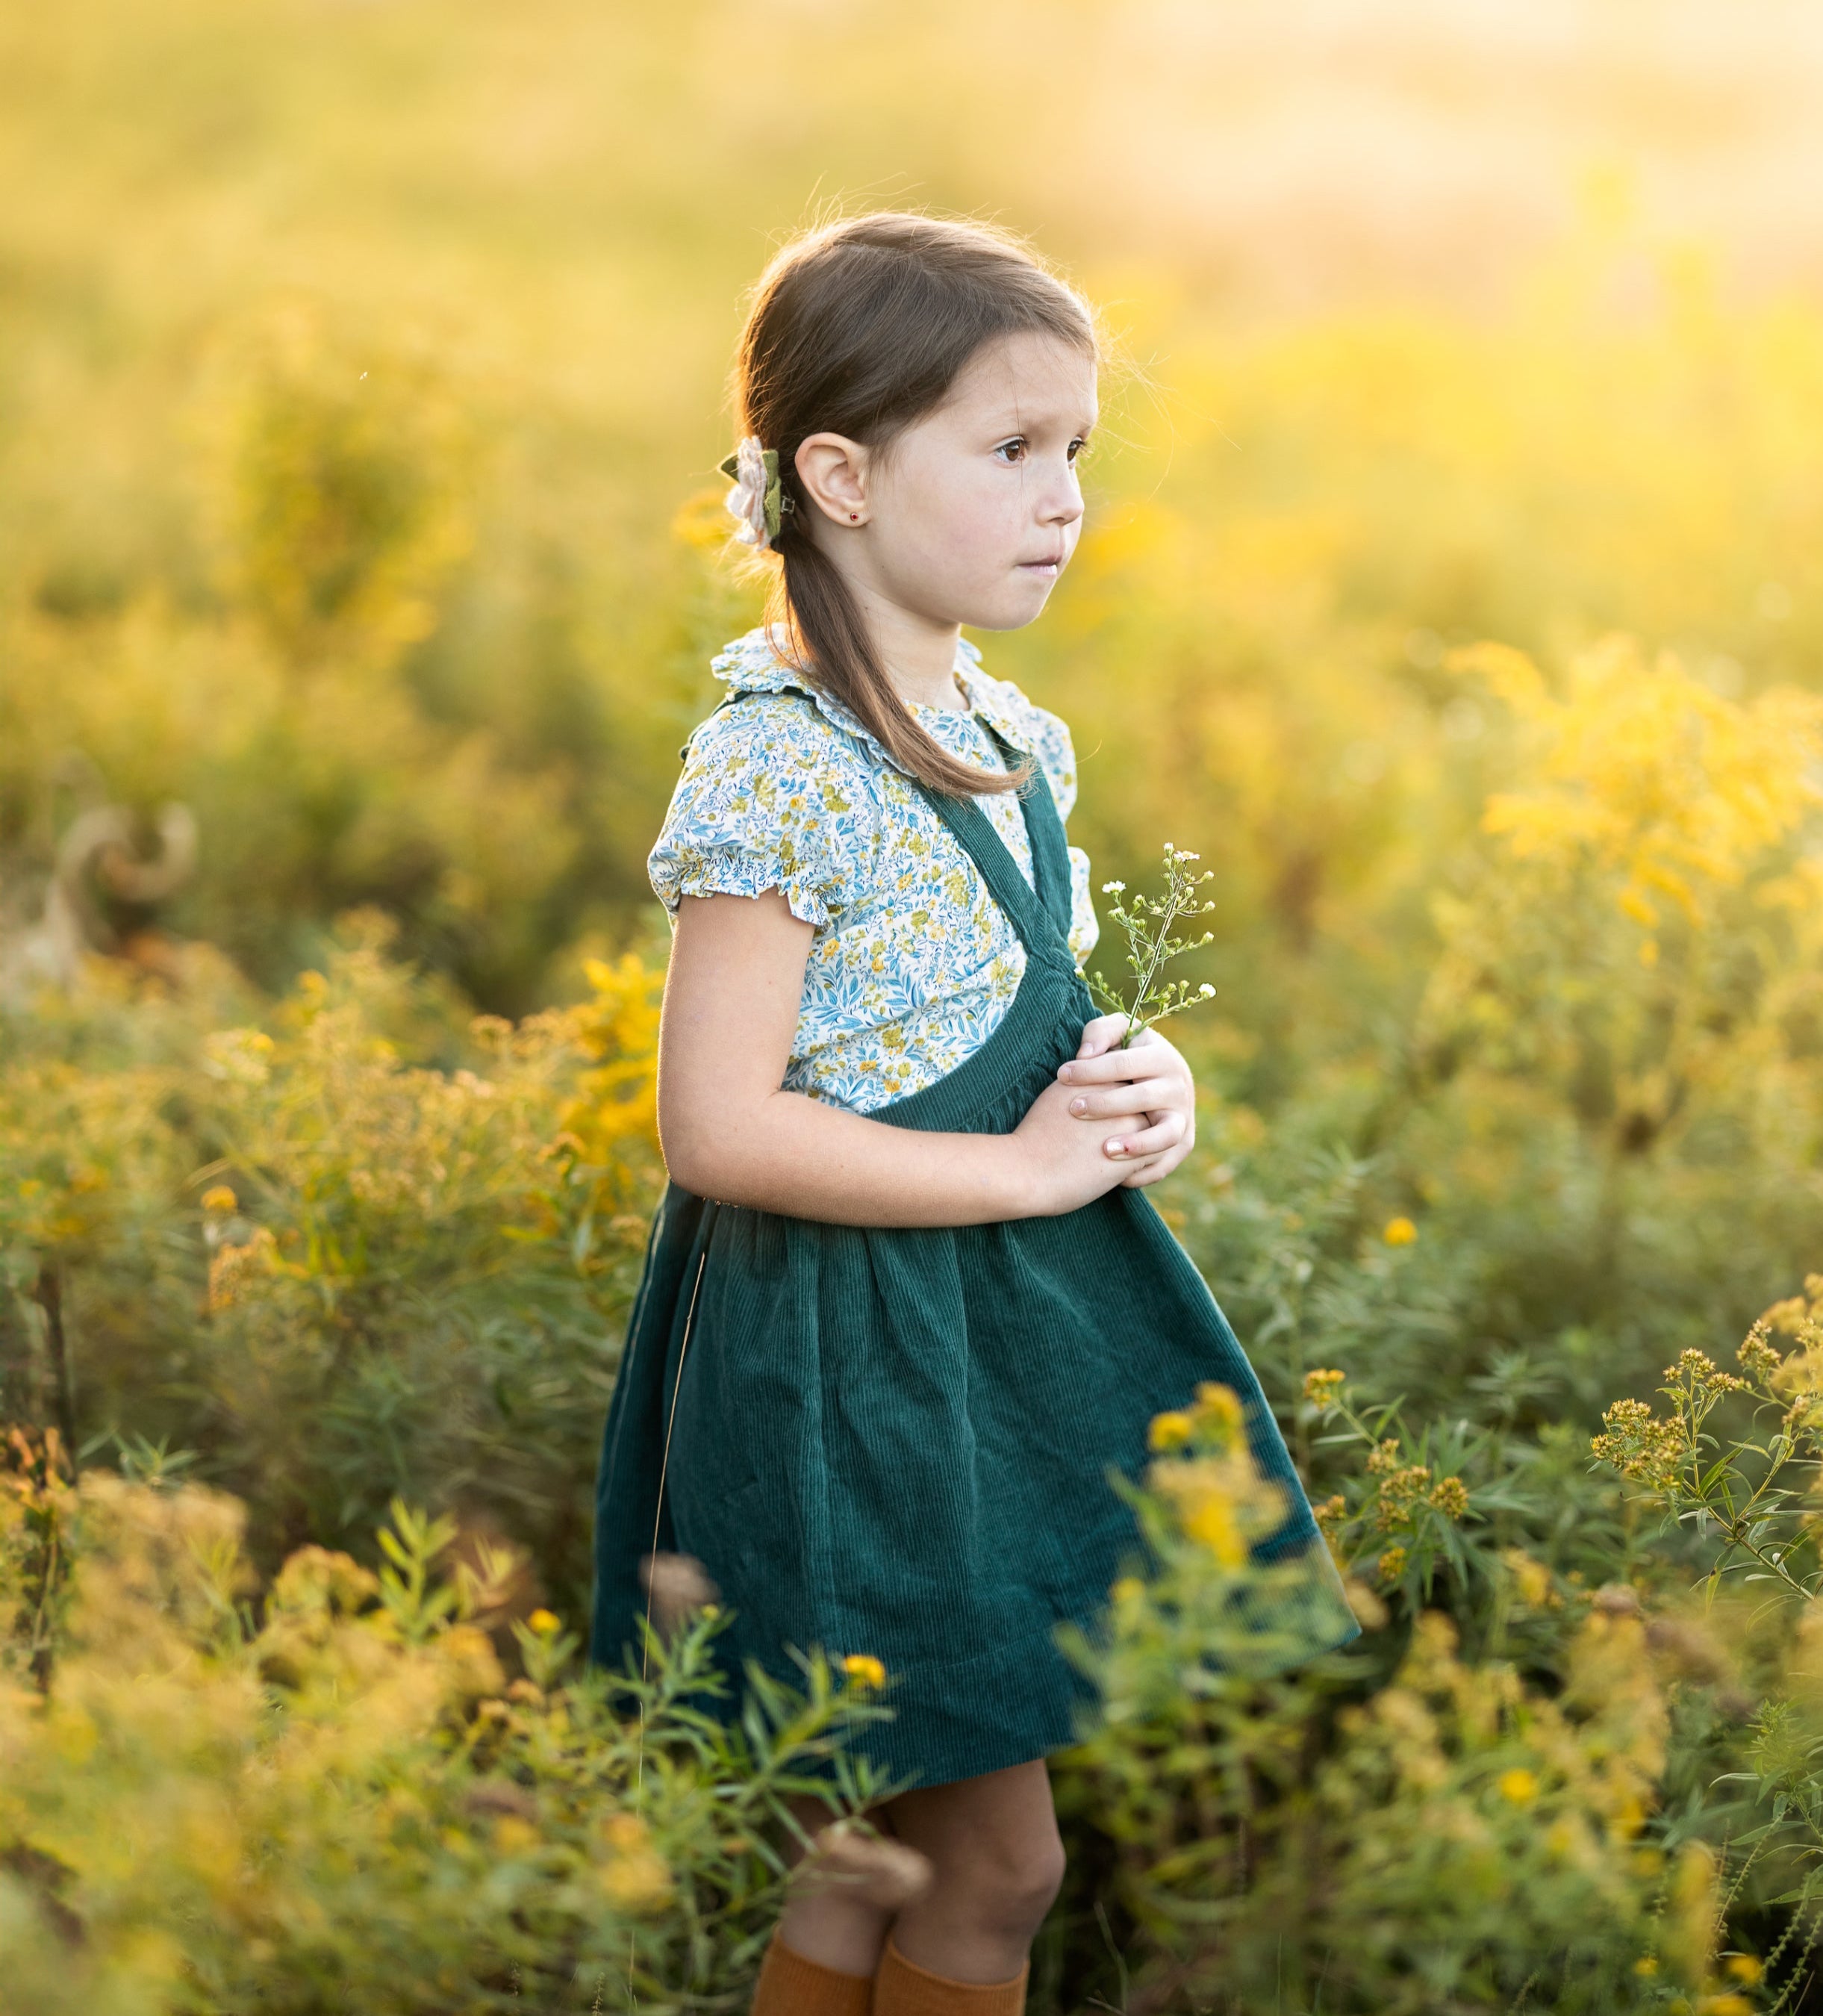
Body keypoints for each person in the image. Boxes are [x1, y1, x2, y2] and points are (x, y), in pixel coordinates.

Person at [589, 212, 1354, 2016]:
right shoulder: (779, 762)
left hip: (991, 1349)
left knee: (872, 1874)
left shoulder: (1018, 737)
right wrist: (1017, 1172)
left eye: (1076, 452)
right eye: (1010, 450)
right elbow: (715, 1126)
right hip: (847, 1366)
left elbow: (1012, 1026)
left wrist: (1133, 1089)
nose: (1063, 496)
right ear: (838, 476)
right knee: (998, 1864)